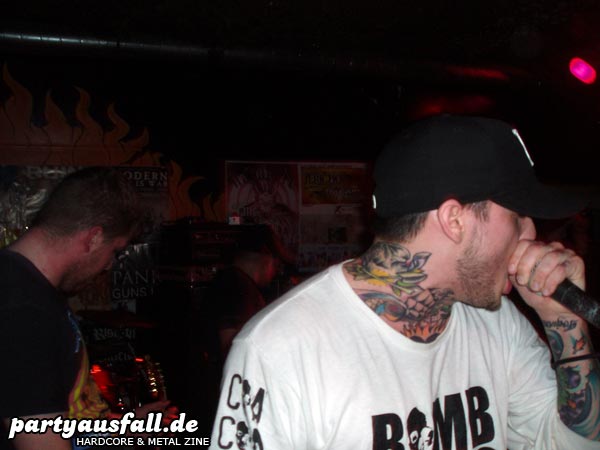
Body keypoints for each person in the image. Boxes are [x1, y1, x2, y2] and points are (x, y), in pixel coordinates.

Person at [209, 115, 600, 449]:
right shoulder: (279, 350)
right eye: (518, 216)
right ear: (455, 220)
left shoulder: (499, 325)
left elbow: (575, 442)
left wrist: (564, 321)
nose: (531, 233)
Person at [0, 167, 173, 450]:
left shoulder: (31, 290)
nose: (108, 265)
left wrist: (120, 431)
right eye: (114, 251)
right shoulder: (22, 310)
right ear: (93, 237)